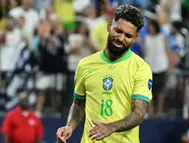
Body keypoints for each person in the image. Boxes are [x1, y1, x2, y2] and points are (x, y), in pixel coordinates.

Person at [56, 4, 152, 143]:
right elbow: (79, 104)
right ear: (109, 26)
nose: (121, 38)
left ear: (136, 37)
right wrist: (70, 126)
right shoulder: (85, 64)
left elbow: (139, 113)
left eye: (128, 35)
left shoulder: (141, 68)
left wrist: (111, 127)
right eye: (118, 31)